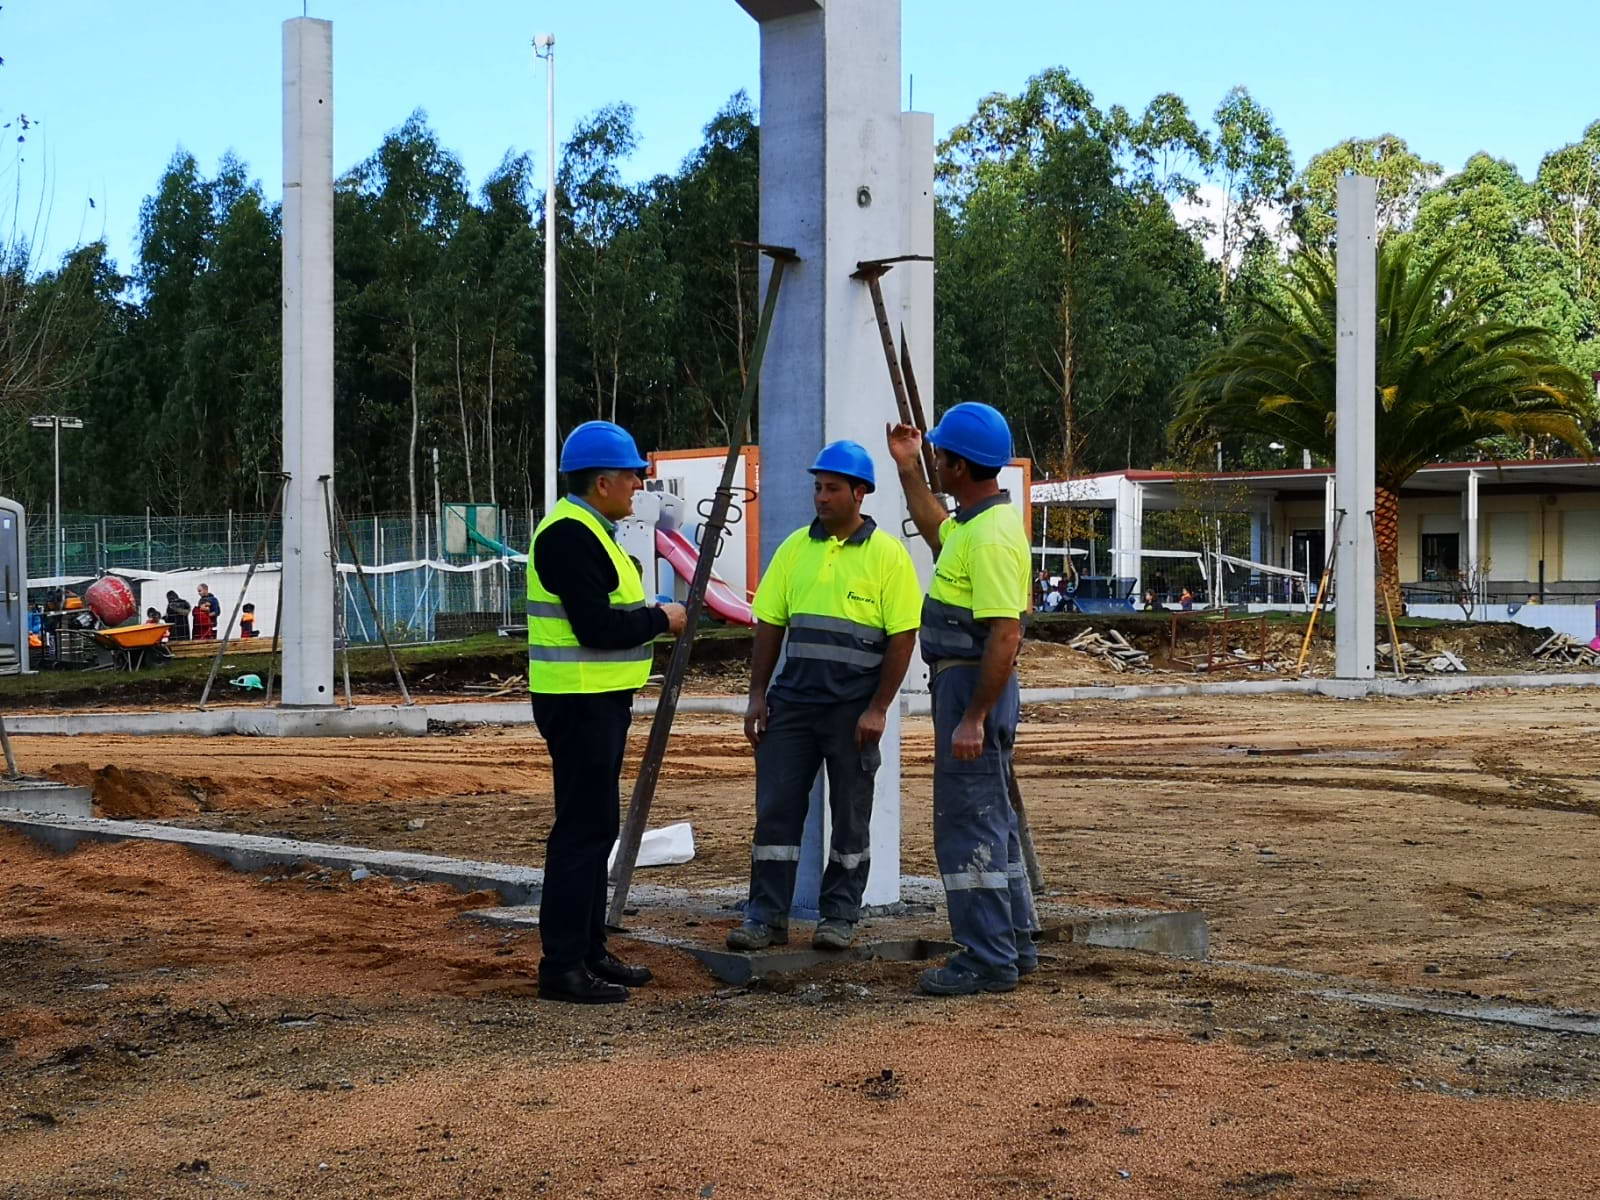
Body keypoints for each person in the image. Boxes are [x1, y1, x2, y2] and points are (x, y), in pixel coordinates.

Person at [727, 440, 920, 954]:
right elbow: (770, 624)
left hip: (852, 713)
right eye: (818, 487)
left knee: (851, 817)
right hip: (792, 707)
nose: (821, 497)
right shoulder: (794, 549)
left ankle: (839, 916)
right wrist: (757, 696)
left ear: (860, 493)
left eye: (832, 488)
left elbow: (904, 635)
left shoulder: (887, 558)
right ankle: (765, 917)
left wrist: (879, 708)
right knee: (776, 815)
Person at [526, 420, 688, 1004]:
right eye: (631, 478)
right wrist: (660, 619)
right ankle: (563, 966)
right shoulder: (570, 535)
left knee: (596, 829)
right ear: (601, 481)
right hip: (579, 702)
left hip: (595, 701)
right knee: (581, 832)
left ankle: (589, 950)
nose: (637, 489)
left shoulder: (592, 529)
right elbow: (595, 626)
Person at [887, 402, 1039, 996]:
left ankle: (986, 958)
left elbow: (1007, 633)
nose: (934, 462)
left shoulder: (994, 538)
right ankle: (1014, 942)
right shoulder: (975, 525)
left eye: (937, 456)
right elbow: (934, 526)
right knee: (992, 820)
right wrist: (905, 470)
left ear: (958, 464)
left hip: (974, 688)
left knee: (968, 825)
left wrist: (974, 716)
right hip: (968, 684)